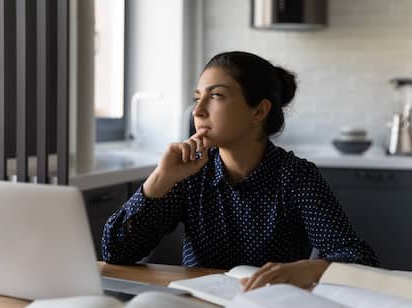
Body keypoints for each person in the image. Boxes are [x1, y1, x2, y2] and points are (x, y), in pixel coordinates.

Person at [102, 51, 378, 291]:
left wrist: (311, 269)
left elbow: (358, 258)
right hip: (200, 307)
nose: (197, 110)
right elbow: (115, 253)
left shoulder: (296, 177)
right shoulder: (190, 175)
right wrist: (160, 179)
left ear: (259, 112)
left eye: (216, 96)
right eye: (197, 98)